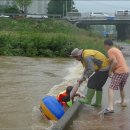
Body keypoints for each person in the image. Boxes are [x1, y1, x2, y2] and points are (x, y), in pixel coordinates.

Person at [102, 39, 129, 114]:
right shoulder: (116, 50)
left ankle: (110, 107)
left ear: (107, 45)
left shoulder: (110, 51)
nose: (104, 47)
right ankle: (123, 103)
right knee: (121, 87)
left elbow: (115, 62)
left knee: (111, 88)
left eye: (104, 45)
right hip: (126, 71)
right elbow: (115, 59)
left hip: (119, 72)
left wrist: (110, 71)